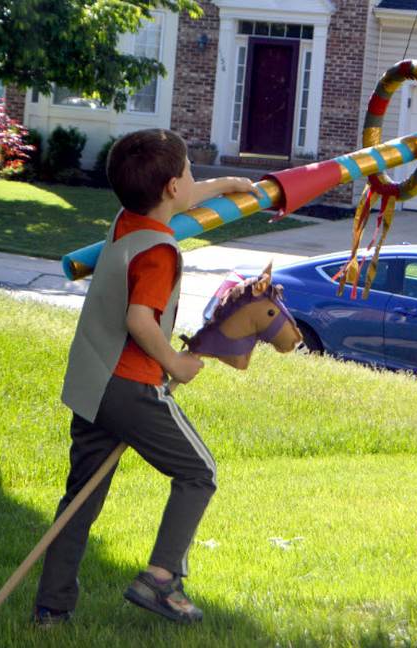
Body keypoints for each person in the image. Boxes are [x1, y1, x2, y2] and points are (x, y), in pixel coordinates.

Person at [33, 129, 259, 626]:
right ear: (174, 188)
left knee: (81, 501)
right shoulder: (158, 251)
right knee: (199, 473)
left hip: (92, 380)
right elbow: (139, 321)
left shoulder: (124, 222)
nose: (193, 181)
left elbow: (185, 196)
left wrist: (226, 185)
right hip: (130, 387)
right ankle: (159, 580)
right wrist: (175, 364)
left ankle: (52, 608)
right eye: (190, 173)